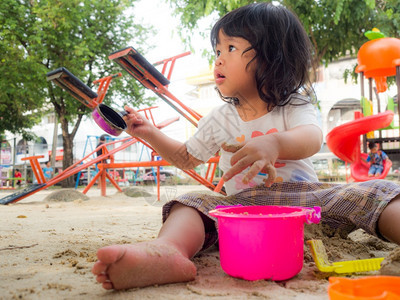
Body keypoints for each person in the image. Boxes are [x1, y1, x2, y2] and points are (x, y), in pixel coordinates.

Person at [92, 3, 400, 290]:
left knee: (374, 191)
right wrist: (148, 132)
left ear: (271, 57)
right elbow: (186, 158)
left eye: (231, 48)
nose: (219, 59)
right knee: (191, 203)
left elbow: (310, 138)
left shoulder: (291, 104)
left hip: (306, 204)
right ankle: (166, 252)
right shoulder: (219, 119)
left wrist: (275, 142)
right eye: (216, 50)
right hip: (243, 212)